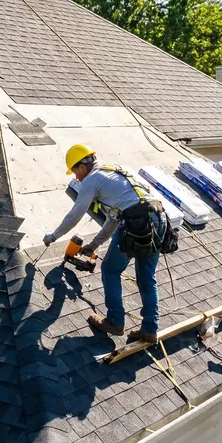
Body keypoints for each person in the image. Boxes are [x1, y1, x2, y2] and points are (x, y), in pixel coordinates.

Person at [43, 144, 166, 344]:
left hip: (135, 223)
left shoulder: (91, 180)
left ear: (82, 166)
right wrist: (93, 245)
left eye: (75, 172)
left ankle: (115, 322)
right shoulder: (115, 171)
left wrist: (53, 236)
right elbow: (113, 220)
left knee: (110, 270)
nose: (76, 178)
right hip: (159, 218)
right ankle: (150, 330)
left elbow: (75, 215)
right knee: (146, 278)